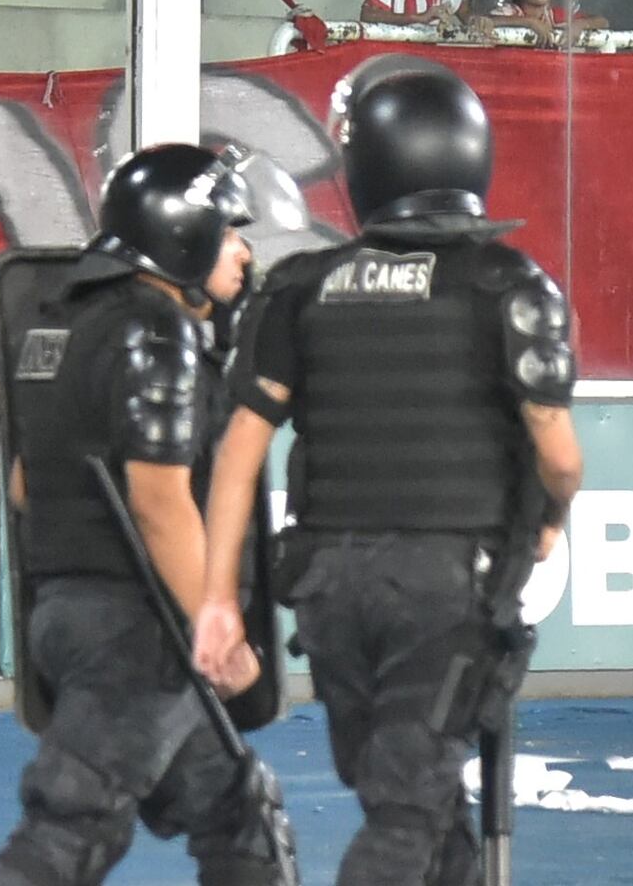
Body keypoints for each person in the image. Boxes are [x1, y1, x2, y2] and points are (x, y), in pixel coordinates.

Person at [192, 70, 580, 886]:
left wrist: (219, 598)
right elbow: (559, 454)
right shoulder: (508, 286)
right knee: (408, 804)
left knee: (406, 791)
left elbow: (237, 451)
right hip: (449, 586)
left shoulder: (301, 288)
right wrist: (549, 517)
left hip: (329, 588)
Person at [0, 143, 288, 886]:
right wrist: (216, 622)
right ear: (185, 235)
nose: (243, 253)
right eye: (231, 231)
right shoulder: (157, 333)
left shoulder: (59, 324)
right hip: (137, 632)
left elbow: (27, 486)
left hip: (69, 618)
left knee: (242, 816)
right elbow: (158, 502)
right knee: (69, 835)